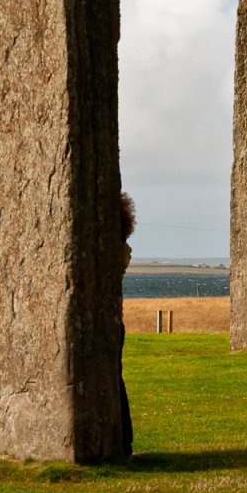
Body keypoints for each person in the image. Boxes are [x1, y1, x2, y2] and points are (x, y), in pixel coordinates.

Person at [118, 191, 135, 454]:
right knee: (114, 376)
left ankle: (122, 439)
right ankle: (123, 441)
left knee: (113, 377)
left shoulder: (119, 250)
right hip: (114, 323)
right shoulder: (122, 249)